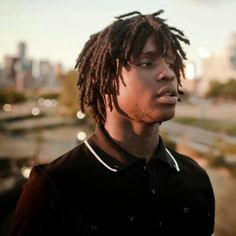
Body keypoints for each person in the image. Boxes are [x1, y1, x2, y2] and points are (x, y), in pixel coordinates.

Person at [12, 10, 215, 236]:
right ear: (104, 81)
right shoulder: (53, 186)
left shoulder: (195, 177)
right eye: (147, 63)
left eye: (170, 63)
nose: (168, 73)